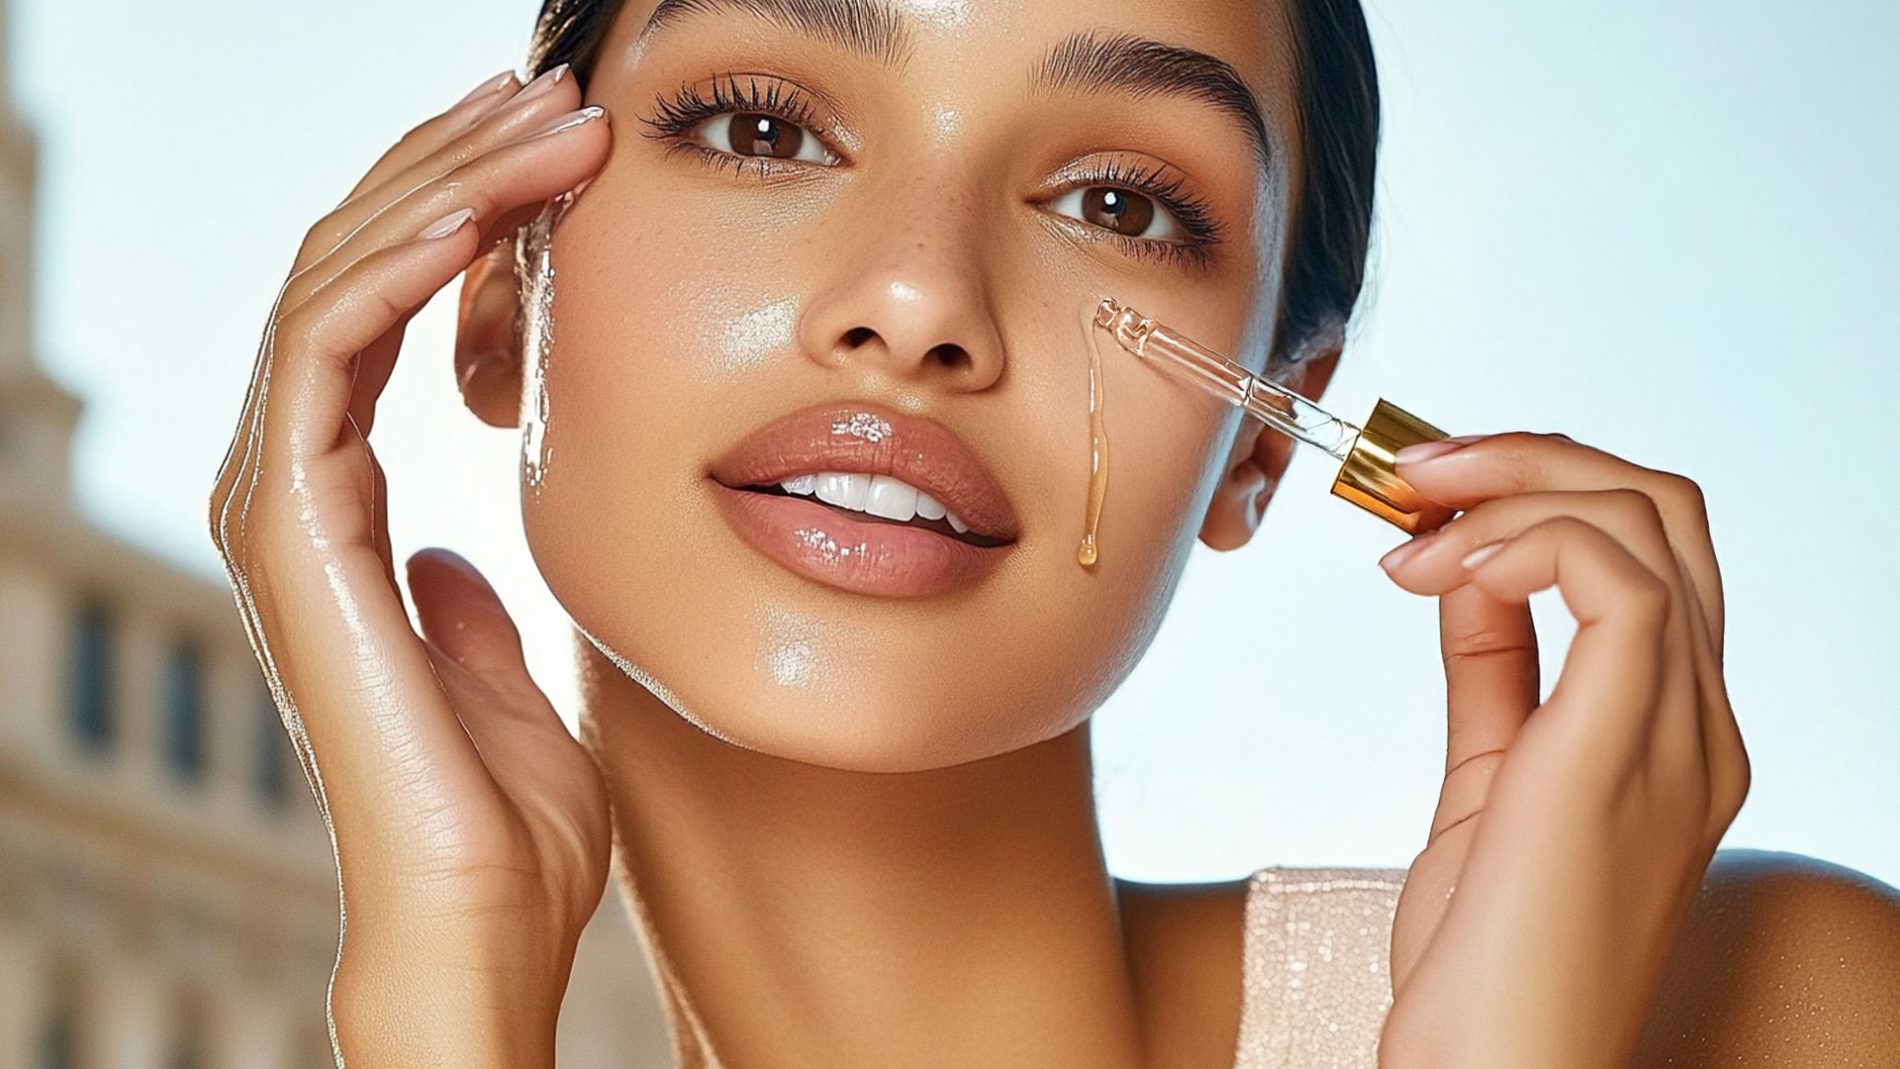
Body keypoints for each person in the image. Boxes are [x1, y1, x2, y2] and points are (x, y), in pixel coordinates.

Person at [205, 0, 1900, 1065]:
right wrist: (441, 1010)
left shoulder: (1799, 1013)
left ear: (1258, 441)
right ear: (499, 288)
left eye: (1119, 204)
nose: (922, 299)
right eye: (764, 126)